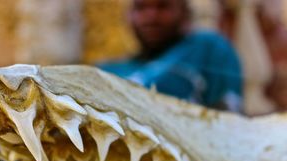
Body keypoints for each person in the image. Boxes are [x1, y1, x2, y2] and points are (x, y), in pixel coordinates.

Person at [99, 0, 243, 111]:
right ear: (128, 15)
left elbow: (228, 119)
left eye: (163, 6)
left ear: (185, 12)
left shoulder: (207, 48)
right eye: (141, 7)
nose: (151, 17)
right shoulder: (109, 71)